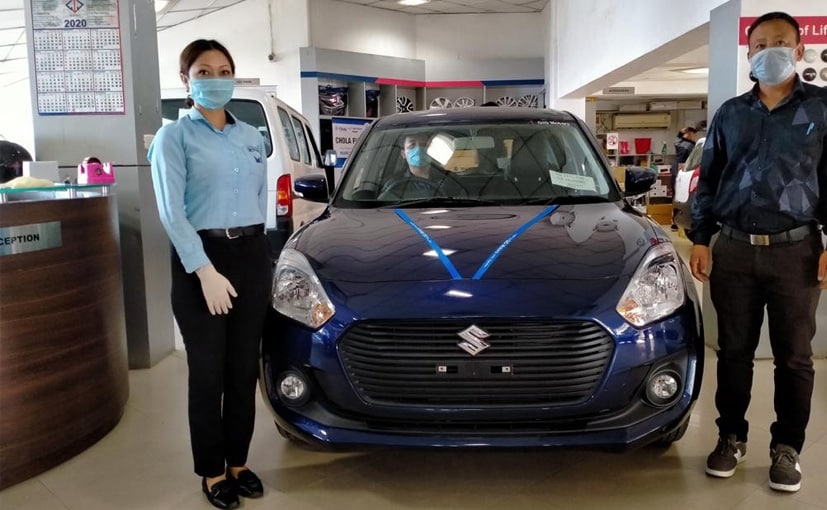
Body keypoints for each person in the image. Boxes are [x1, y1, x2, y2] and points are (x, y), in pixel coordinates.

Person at [689, 12, 827, 493]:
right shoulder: (730, 114)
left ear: (799, 50)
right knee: (733, 352)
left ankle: (786, 448)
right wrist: (700, 238)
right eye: (761, 44)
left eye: (780, 42)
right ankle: (731, 437)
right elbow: (709, 180)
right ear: (749, 54)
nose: (770, 51)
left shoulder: (822, 109)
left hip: (797, 251)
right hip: (734, 250)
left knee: (794, 358)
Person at [148, 39, 270, 509]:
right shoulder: (173, 139)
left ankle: (238, 462)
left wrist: (257, 255)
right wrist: (204, 269)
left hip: (250, 255)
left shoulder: (251, 136)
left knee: (243, 369)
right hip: (201, 259)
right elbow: (171, 212)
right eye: (204, 71)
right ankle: (212, 470)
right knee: (207, 372)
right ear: (186, 79)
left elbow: (259, 200)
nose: (215, 79)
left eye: (223, 71)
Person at [378, 133, 460, 199]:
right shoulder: (394, 185)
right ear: (403, 154)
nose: (419, 149)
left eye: (423, 144)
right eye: (412, 145)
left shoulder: (449, 180)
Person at [670, 126, 698, 231]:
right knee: (685, 198)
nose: (695, 137)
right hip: (684, 173)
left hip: (675, 171)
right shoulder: (691, 146)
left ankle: (674, 222)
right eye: (694, 135)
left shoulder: (679, 143)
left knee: (675, 196)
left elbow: (677, 138)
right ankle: (683, 221)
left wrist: (681, 132)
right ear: (690, 134)